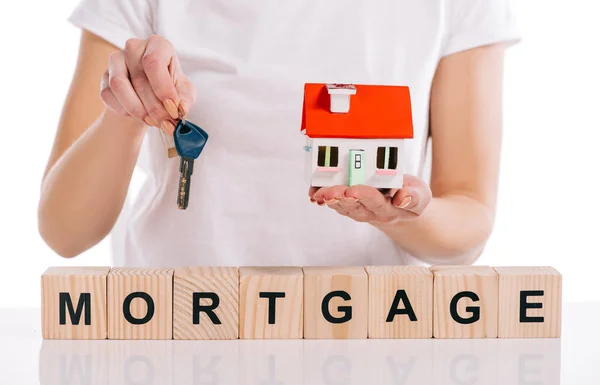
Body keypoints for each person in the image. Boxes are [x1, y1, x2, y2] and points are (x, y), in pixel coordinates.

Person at [38, 0, 520, 268]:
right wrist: (128, 110)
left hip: (365, 338)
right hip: (174, 331)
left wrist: (403, 215)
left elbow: (468, 227)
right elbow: (64, 230)